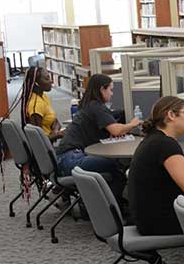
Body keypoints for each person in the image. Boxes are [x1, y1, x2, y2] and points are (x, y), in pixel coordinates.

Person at [56, 74, 140, 203]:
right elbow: (116, 130)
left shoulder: (88, 104)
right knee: (117, 169)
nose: (112, 94)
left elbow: (109, 121)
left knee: (114, 164)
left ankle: (97, 206)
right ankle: (111, 211)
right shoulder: (96, 107)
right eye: (110, 90)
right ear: (102, 89)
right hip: (72, 160)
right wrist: (133, 124)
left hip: (64, 158)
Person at [128, 96, 184, 236]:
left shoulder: (153, 139)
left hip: (146, 220)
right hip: (161, 222)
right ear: (171, 115)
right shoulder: (165, 145)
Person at [23, 66, 63, 140]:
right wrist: (58, 135)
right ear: (36, 83)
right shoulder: (36, 105)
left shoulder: (42, 96)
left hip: (50, 141)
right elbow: (37, 139)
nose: (51, 81)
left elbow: (54, 120)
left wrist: (55, 130)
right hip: (45, 149)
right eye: (47, 79)